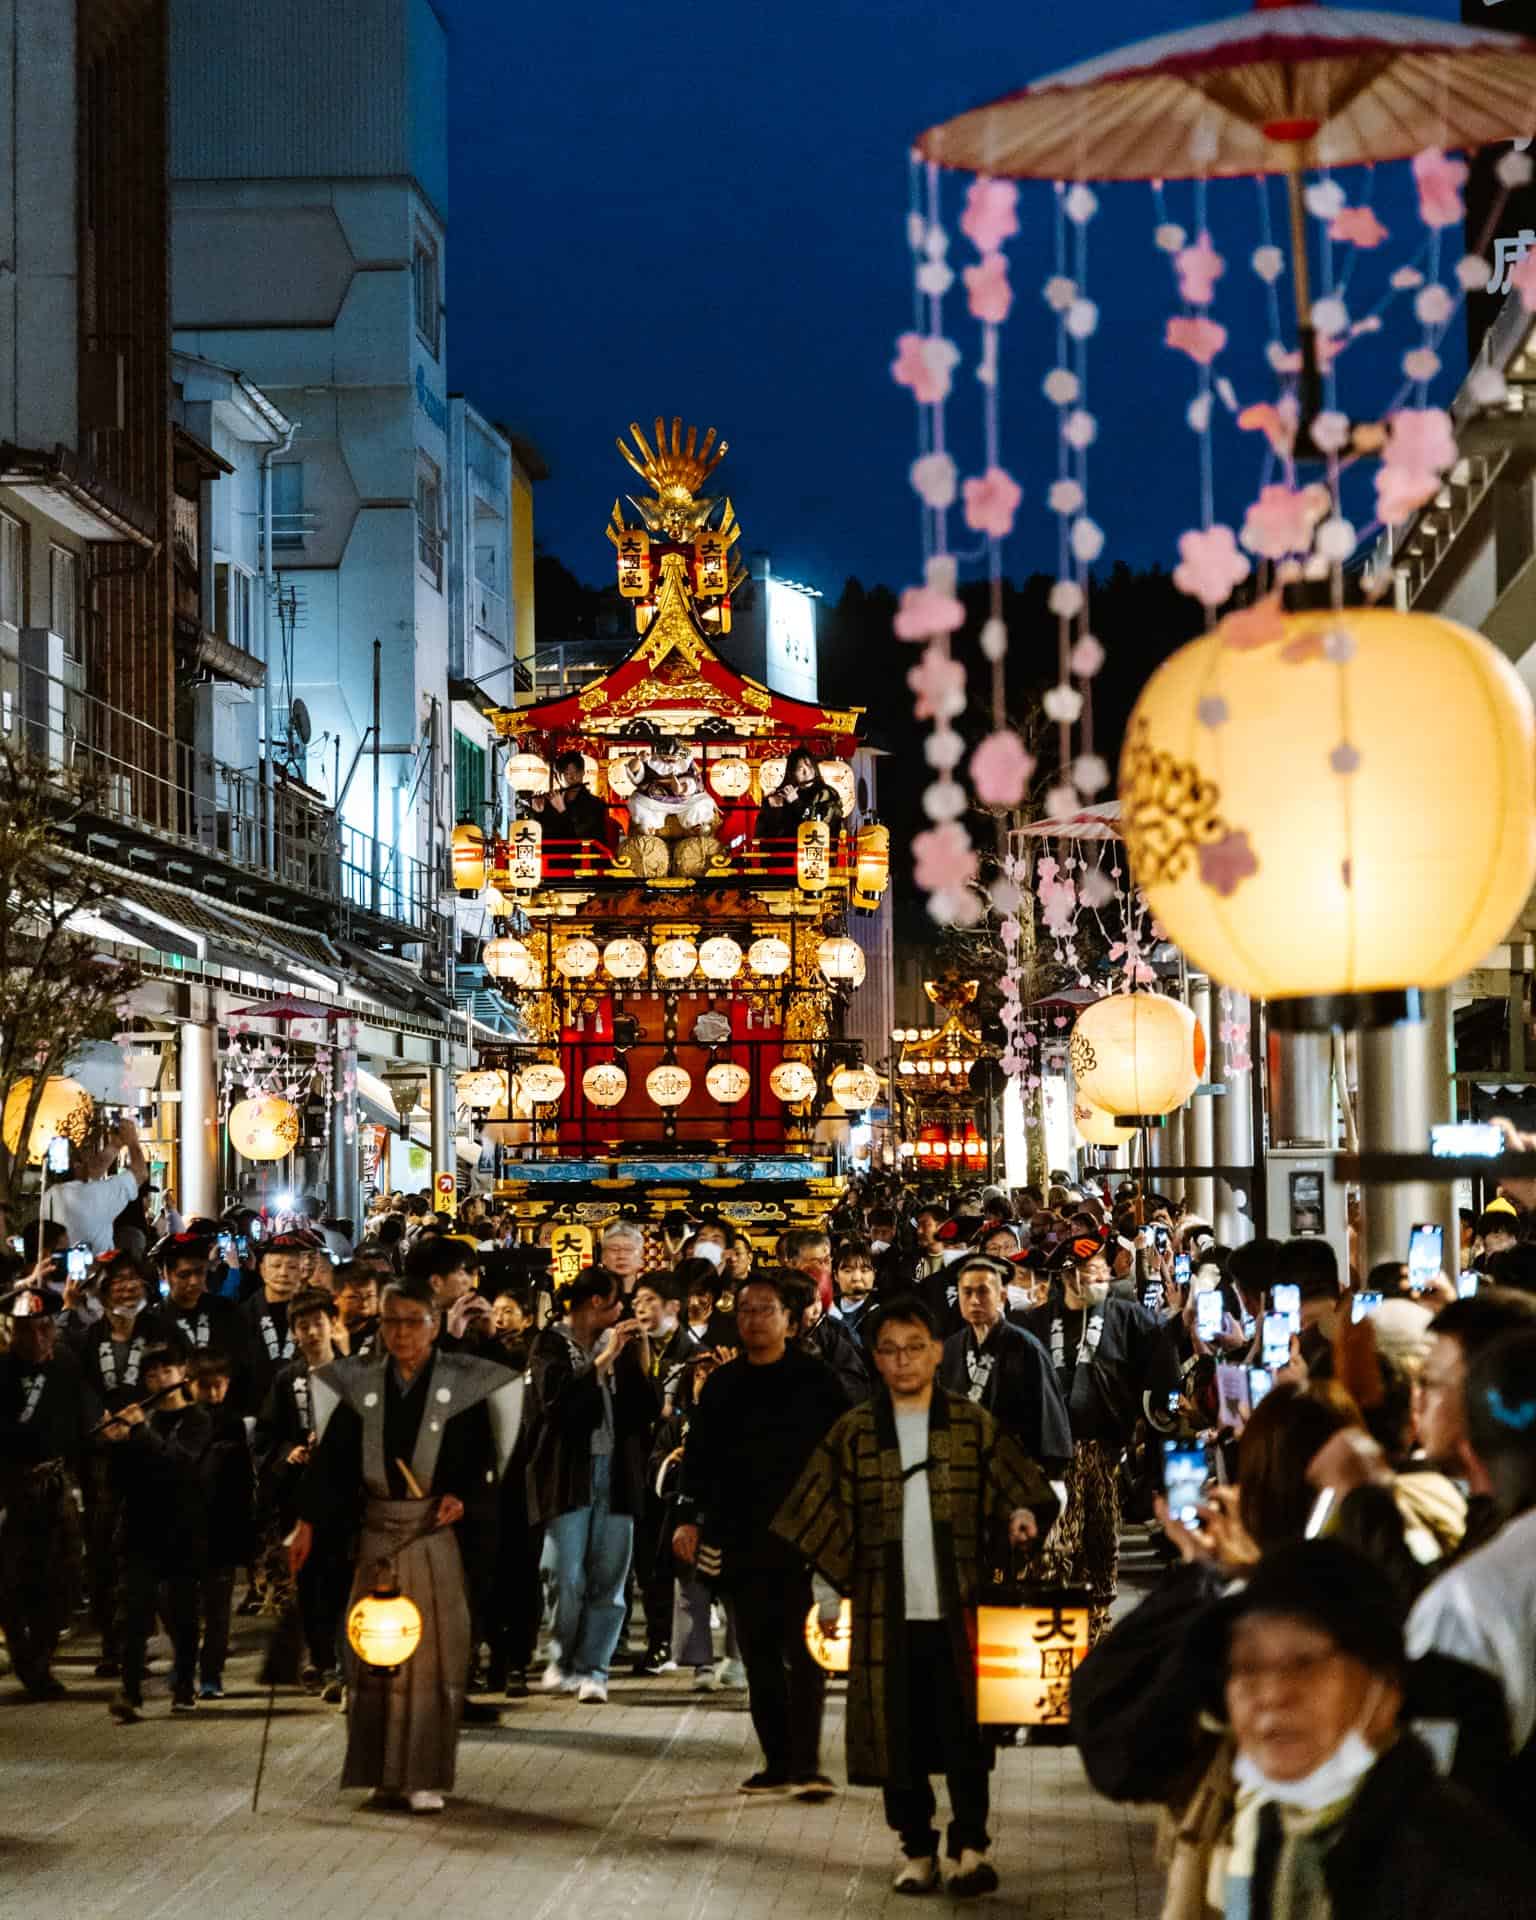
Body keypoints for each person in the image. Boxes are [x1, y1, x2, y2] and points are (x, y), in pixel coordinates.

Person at [773, 1295, 1058, 1897]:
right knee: (896, 1734)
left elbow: (1023, 1488)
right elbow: (815, 1515)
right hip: (883, 1611)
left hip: (962, 1606)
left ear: (936, 1352)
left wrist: (1022, 1517)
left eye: (914, 1348)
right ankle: (917, 1848)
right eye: (889, 1350)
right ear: (875, 1359)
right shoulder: (852, 1433)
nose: (902, 1361)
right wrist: (828, 1595)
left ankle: (972, 1845)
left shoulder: (970, 1423)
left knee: (967, 1734)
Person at [1207, 1540, 1536, 1920]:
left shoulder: (1460, 1873)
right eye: (1248, 1666)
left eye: (1305, 1663)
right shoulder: (1283, 1828)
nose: (1272, 1694)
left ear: (1383, 1688)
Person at [290, 1281, 523, 1813]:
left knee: (432, 1659)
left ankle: (424, 1774)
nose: (400, 1333)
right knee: (370, 1656)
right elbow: (332, 1463)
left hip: (430, 1532)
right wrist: (305, 1523)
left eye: (412, 1321)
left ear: (434, 1326)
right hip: (377, 1531)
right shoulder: (363, 1385)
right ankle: (381, 1773)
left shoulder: (460, 1383)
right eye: (391, 1321)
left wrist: (465, 1496)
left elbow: (485, 1455)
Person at [673, 1269, 850, 1798]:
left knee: (802, 1651)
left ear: (791, 1321)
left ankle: (806, 1763)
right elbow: (699, 1456)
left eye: (765, 1309)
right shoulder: (725, 1383)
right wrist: (688, 1516)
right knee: (758, 1653)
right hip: (739, 1534)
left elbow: (841, 1452)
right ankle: (777, 1760)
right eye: (745, 1310)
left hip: (803, 1535)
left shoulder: (816, 1381)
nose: (752, 1320)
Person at [1406, 1327, 1536, 1817]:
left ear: (1471, 1443)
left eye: (1433, 1382)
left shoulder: (1471, 1599)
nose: (1417, 1396)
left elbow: (1436, 1790)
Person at [1023, 1236, 1172, 1642]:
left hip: (1105, 1451)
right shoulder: (1035, 1323)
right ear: (1068, 1276)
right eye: (1090, 1270)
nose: (1099, 1277)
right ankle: (1056, 1625)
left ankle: (1097, 1623)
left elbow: (1161, 1365)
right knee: (1053, 1545)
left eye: (1103, 1269)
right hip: (1052, 1454)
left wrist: (1155, 1414)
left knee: (1101, 1539)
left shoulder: (1130, 1318)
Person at [524, 1267, 658, 1703]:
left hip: (618, 1472)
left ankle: (594, 1668)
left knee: (610, 1575)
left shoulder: (624, 1347)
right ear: (597, 1302)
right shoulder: (550, 1344)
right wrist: (602, 1362)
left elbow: (645, 1412)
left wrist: (639, 1357)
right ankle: (562, 1658)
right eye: (619, 1302)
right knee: (565, 1573)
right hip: (568, 1472)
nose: (624, 1312)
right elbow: (556, 1406)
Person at [101, 1344, 220, 1721]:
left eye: (166, 1371)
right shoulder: (142, 1419)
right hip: (138, 1530)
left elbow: (181, 1464)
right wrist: (117, 1444)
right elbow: (117, 1481)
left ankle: (184, 1685)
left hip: (181, 1531)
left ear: (182, 1374)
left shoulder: (199, 1419)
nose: (159, 1380)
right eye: (151, 1374)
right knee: (133, 1614)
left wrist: (139, 1431)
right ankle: (130, 1692)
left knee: (182, 1616)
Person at [0, 1296, 98, 1696]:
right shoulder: (2, 1371)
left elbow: (82, 1424)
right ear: (12, 1330)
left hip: (55, 1485)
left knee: (60, 1579)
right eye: (27, 1328)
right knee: (8, 1582)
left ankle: (41, 1659)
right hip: (8, 1486)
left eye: (44, 1327)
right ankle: (25, 1657)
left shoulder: (67, 1368)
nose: (37, 1337)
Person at [255, 1288, 349, 1697]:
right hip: (301, 1494)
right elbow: (266, 1434)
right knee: (309, 1579)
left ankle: (348, 1660)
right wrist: (286, 1451)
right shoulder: (285, 1379)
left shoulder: (355, 1374)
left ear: (334, 1324)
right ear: (293, 1332)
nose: (312, 1332)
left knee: (344, 1577)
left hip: (346, 1497)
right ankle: (321, 1658)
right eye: (303, 1325)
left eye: (318, 1323)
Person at [940, 1257, 1072, 1509]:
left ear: (1002, 1296)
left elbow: (1048, 1413)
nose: (974, 1300)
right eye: (966, 1292)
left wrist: (1052, 1478)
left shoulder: (1025, 1348)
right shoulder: (951, 1348)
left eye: (983, 1291)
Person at [186, 1353, 253, 1699]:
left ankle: (211, 1672)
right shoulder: (179, 1422)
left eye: (219, 1386)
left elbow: (243, 1484)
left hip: (221, 1528)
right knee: (181, 1606)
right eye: (205, 1387)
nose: (213, 1393)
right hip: (183, 1528)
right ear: (189, 1384)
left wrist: (244, 1533)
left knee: (217, 1609)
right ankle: (185, 1667)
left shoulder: (233, 1424)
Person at [42, 1116, 149, 1255]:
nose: (88, 1161)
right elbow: (141, 1173)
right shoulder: (96, 1194)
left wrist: (115, 1146)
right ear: (77, 1165)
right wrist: (132, 1140)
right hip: (96, 1271)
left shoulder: (49, 1196)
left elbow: (92, 1173)